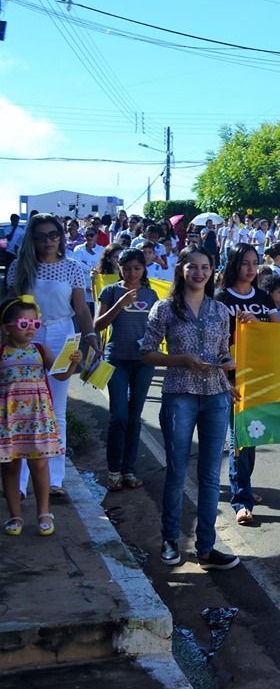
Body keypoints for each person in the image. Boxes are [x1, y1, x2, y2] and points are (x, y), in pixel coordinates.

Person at [141, 245, 240, 570]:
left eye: (205, 268)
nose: (199, 273)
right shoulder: (165, 309)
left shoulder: (221, 311)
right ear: (181, 269)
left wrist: (228, 368)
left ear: (212, 272)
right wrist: (180, 360)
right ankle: (170, 540)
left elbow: (223, 352)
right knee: (177, 470)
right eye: (193, 267)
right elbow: (147, 353)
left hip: (216, 396)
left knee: (211, 476)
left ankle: (206, 548)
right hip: (179, 394)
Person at [7, 214, 101, 498]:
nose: (48, 241)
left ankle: (55, 480)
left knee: (56, 409)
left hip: (62, 335)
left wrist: (92, 338)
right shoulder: (19, 268)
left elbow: (82, 309)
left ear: (61, 236)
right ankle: (21, 483)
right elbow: (11, 311)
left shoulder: (72, 268)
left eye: (53, 235)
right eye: (41, 236)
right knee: (24, 409)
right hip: (26, 337)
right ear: (32, 240)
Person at [1, 296, 81, 537]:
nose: (31, 330)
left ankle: (43, 512)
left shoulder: (39, 350)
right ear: (7, 328)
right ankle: (15, 515)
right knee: (10, 467)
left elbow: (60, 375)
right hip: (10, 422)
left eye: (35, 324)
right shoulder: (2, 353)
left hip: (38, 419)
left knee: (40, 464)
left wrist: (73, 363)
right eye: (24, 325)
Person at [216, 244, 279, 527]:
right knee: (238, 437)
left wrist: (258, 323)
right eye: (245, 263)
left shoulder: (264, 298)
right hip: (230, 377)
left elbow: (279, 336)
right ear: (234, 265)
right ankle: (241, 500)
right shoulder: (220, 297)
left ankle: (244, 486)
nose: (251, 268)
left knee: (251, 437)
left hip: (259, 376)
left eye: (255, 263)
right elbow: (213, 338)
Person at [94, 248, 159, 491]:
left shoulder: (151, 295)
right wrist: (120, 304)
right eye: (127, 268)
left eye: (137, 268)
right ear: (119, 268)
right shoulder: (111, 291)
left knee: (135, 417)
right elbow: (97, 325)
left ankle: (129, 470)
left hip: (143, 361)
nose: (132, 273)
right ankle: (113, 470)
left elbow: (157, 327)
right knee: (119, 416)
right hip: (116, 360)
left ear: (144, 270)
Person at [71, 225, 104, 314]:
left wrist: (86, 264)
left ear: (96, 236)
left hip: (96, 285)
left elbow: (101, 266)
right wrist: (92, 266)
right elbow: (78, 264)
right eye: (86, 235)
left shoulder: (102, 250)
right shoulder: (78, 249)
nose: (89, 237)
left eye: (91, 235)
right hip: (82, 285)